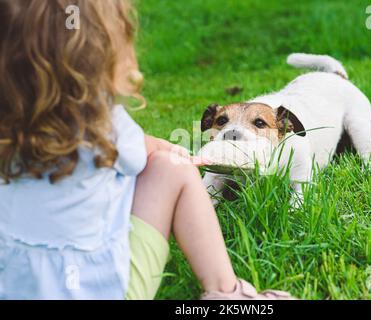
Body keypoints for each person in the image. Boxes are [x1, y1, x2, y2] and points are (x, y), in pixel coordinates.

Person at [0, 0, 293, 300]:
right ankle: (227, 292)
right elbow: (148, 152)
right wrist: (178, 154)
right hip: (110, 291)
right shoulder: (104, 122)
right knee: (172, 169)